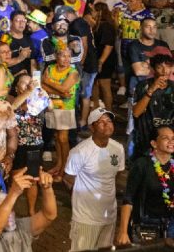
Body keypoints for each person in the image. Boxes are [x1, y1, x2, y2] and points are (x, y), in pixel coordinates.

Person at [64, 108, 125, 251]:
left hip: (109, 215)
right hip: (86, 218)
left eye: (109, 121)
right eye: (101, 122)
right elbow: (68, 179)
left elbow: (116, 174)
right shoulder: (80, 151)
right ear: (92, 127)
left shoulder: (118, 148)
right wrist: (82, 199)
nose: (107, 124)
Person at [116, 125, 174, 245]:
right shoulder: (142, 165)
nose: (171, 141)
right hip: (147, 227)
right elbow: (128, 199)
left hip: (171, 227)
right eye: (165, 138)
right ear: (154, 143)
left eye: (173, 138)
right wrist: (123, 231)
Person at [0, 168, 57, 251]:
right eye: (3, 211)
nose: (10, 215)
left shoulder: (21, 226)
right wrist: (14, 192)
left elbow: (49, 216)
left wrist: (47, 188)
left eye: (11, 210)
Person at [7, 74, 47, 216]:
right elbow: (12, 108)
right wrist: (28, 91)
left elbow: (52, 107)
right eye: (23, 84)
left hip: (35, 146)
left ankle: (31, 212)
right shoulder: (11, 99)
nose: (28, 85)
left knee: (32, 181)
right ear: (17, 88)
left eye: (30, 83)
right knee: (16, 180)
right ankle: (10, 212)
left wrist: (43, 93)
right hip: (18, 147)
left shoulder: (37, 101)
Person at [42, 48, 80, 181]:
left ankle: (66, 168)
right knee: (56, 137)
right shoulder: (50, 68)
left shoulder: (73, 72)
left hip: (65, 109)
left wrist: (48, 83)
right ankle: (59, 164)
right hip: (51, 106)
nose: (66, 59)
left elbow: (65, 88)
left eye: (69, 56)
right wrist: (60, 93)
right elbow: (42, 86)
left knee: (63, 139)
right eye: (63, 56)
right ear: (56, 56)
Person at [131, 54, 174, 160]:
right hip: (146, 142)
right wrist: (151, 90)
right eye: (160, 67)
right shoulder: (142, 86)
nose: (165, 71)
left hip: (169, 143)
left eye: (168, 66)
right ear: (153, 69)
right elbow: (136, 113)